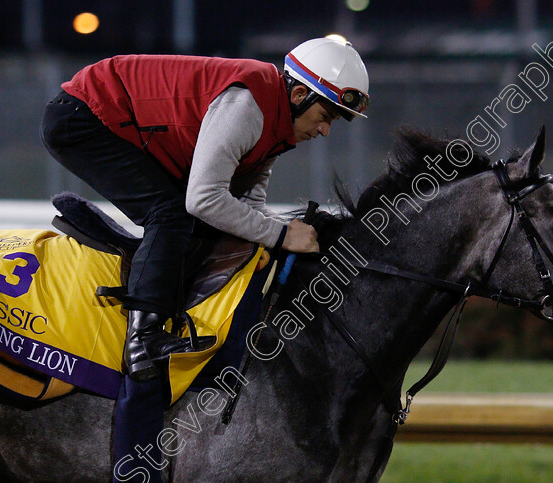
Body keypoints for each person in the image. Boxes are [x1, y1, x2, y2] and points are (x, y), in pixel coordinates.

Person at [40, 37, 369, 479]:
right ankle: (144, 342)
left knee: (193, 219)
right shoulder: (248, 105)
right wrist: (282, 234)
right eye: (326, 116)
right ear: (298, 95)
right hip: (81, 115)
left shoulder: (274, 123)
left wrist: (273, 237)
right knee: (171, 212)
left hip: (114, 120)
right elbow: (203, 198)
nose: (326, 130)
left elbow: (246, 205)